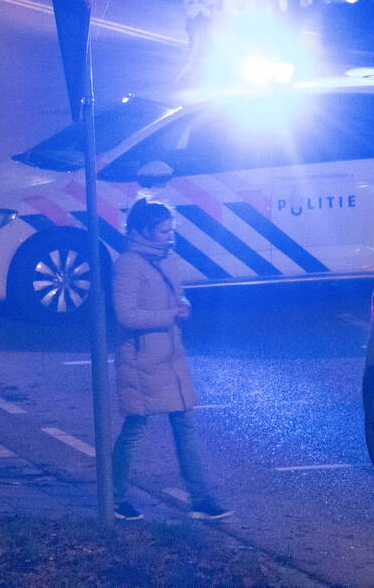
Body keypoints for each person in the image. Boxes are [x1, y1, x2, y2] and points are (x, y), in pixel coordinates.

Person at [110, 199, 232, 522]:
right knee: (135, 426)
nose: (169, 235)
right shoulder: (128, 264)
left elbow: (173, 297)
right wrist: (169, 315)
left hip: (170, 357)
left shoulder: (167, 260)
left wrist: (182, 304)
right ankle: (114, 497)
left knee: (184, 426)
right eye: (164, 230)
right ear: (145, 230)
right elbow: (126, 315)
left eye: (170, 229)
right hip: (141, 359)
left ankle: (201, 498)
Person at [177, 0, 222, 81]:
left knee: (205, 48)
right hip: (197, 18)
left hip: (200, 18)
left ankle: (198, 75)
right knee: (198, 49)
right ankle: (184, 76)